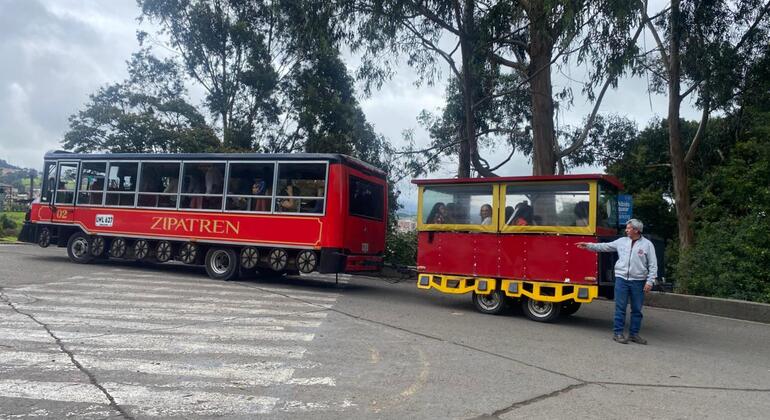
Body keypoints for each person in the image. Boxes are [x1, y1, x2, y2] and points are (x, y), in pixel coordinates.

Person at [577, 219, 657, 345]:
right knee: (620, 308)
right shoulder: (621, 241)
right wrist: (588, 245)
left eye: (629, 228)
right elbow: (604, 247)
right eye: (627, 228)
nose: (626, 230)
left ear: (636, 230)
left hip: (638, 281)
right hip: (621, 279)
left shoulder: (647, 245)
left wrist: (650, 281)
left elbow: (653, 265)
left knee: (637, 309)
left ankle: (634, 334)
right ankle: (618, 333)